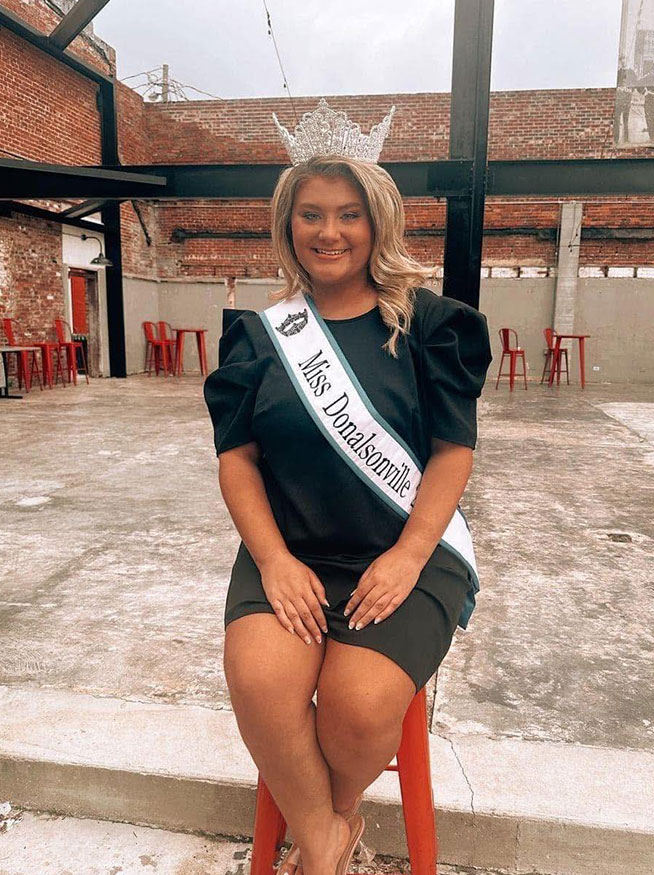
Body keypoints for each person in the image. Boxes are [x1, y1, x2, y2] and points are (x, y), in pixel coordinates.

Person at [203, 100, 492, 875]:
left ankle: (321, 823)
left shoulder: (430, 325)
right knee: (260, 679)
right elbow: (237, 459)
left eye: (348, 214)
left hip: (405, 549)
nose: (329, 232)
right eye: (312, 215)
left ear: (376, 223)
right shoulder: (261, 336)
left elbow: (452, 453)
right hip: (292, 549)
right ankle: (328, 837)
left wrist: (408, 555)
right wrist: (272, 561)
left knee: (358, 710)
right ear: (288, 224)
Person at [613, 56, 636, 145]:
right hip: (619, 99)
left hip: (627, 99)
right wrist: (618, 88)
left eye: (625, 61)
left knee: (626, 119)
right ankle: (616, 139)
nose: (624, 63)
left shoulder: (631, 72)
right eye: (622, 62)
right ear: (620, 62)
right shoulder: (618, 73)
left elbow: (635, 84)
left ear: (627, 61)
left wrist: (630, 89)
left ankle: (626, 138)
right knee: (617, 119)